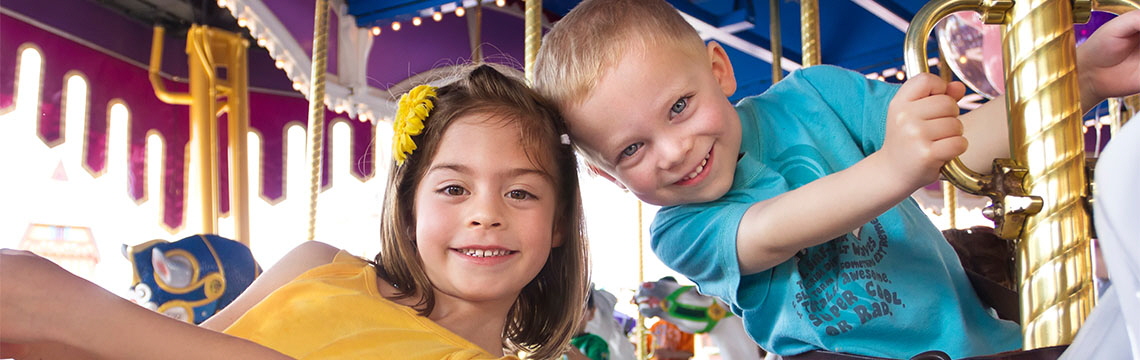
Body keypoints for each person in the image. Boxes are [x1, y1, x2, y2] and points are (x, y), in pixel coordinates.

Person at [532, 0, 1140, 358]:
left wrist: (1081, 78)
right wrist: (894, 166)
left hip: (979, 344)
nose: (672, 151)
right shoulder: (681, 229)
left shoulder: (817, 95)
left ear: (718, 71)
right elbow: (776, 229)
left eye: (679, 107)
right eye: (632, 149)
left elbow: (955, 147)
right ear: (608, 176)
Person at [0, 63, 590, 360]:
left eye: (521, 193)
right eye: (454, 189)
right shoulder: (317, 266)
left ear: (560, 222)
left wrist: (71, 311)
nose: (485, 214)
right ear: (409, 208)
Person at [566, 290, 611, 360]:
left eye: (580, 309)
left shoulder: (596, 343)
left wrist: (569, 350)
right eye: (567, 310)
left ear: (592, 313)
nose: (573, 316)